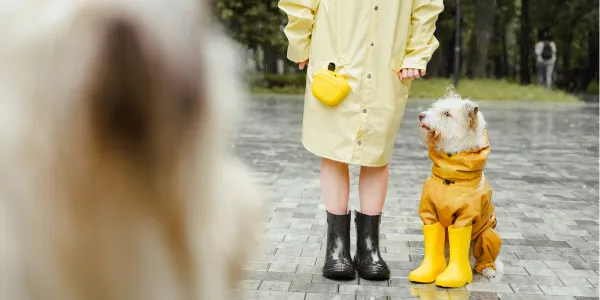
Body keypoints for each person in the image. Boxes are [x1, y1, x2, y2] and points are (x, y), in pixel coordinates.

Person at [278, 0, 444, 280]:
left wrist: (417, 55)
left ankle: (369, 249)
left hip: (385, 67)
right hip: (334, 64)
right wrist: (300, 44)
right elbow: (300, 3)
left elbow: (425, 7)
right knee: (333, 151)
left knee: (377, 155)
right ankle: (336, 248)